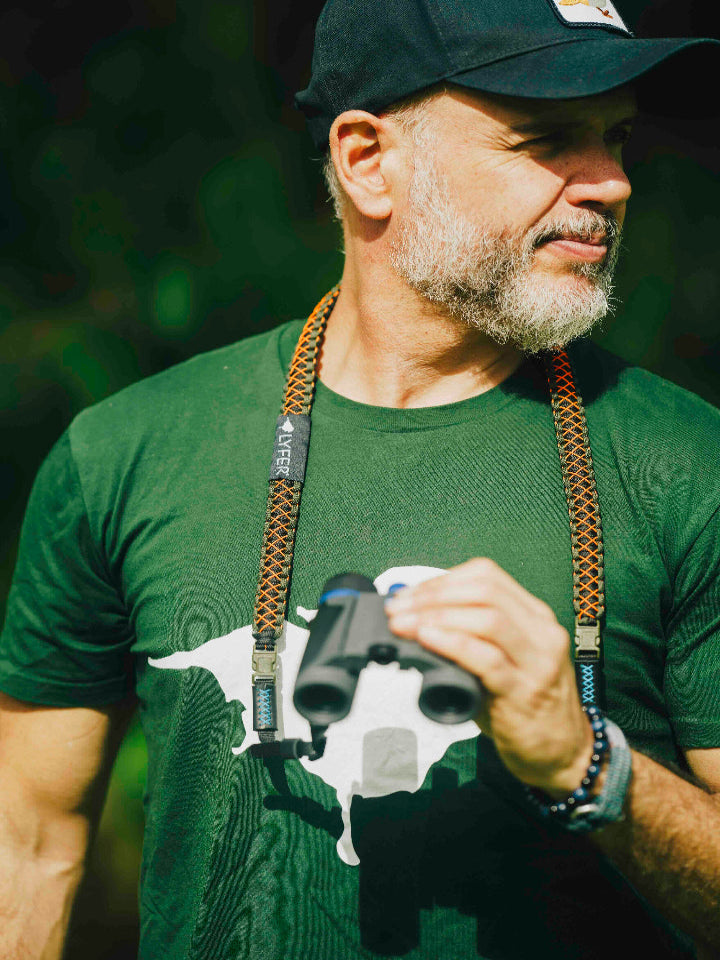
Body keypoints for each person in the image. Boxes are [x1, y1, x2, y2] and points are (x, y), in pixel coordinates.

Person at [1, 0, 720, 957]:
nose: (613, 184)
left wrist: (596, 770)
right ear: (369, 161)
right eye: (545, 140)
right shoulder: (127, 452)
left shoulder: (688, 464)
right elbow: (32, 847)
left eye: (617, 139)